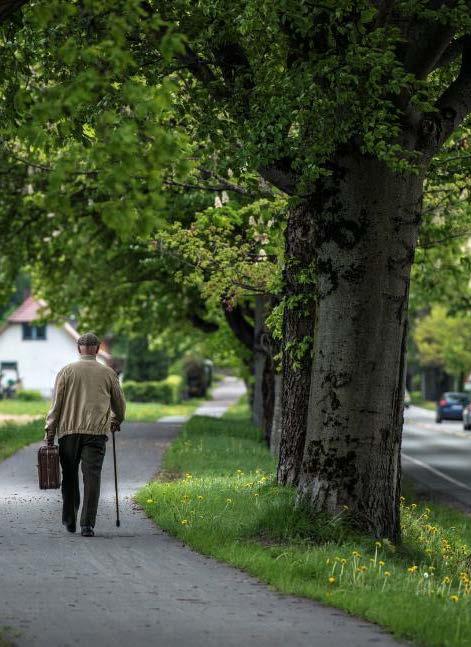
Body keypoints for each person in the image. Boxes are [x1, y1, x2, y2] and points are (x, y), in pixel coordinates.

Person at [44, 332, 126, 537]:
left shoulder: (66, 372)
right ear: (98, 349)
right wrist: (116, 420)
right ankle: (87, 525)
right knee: (92, 477)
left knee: (69, 476)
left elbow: (56, 406)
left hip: (68, 433)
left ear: (78, 349)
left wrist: (50, 432)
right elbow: (119, 405)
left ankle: (70, 518)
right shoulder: (108, 373)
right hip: (95, 434)